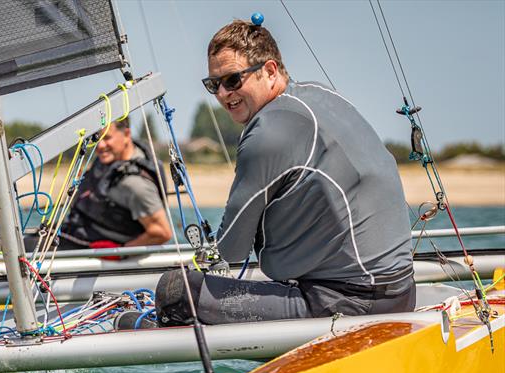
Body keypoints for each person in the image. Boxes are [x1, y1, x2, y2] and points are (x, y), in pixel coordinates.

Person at [155, 17, 415, 326]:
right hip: (401, 293)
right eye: (214, 84)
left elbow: (232, 249)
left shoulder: (269, 131)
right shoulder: (320, 95)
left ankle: (129, 326)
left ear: (269, 70)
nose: (223, 94)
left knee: (175, 291)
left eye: (233, 80)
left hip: (347, 304)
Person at [29, 117, 172, 252]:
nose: (100, 145)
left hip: (96, 249)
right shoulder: (110, 160)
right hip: (78, 232)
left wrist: (121, 251)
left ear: (127, 134)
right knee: (24, 243)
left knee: (26, 249)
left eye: (107, 138)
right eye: (97, 139)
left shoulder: (136, 185)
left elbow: (161, 232)